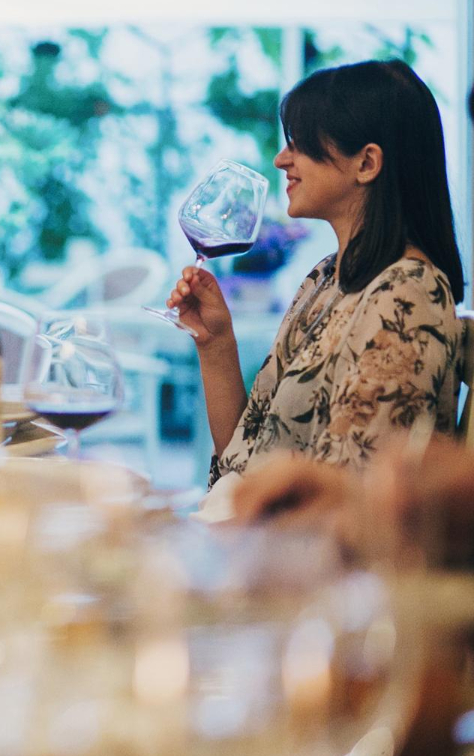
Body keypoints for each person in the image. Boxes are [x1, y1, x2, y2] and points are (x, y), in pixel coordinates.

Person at [167, 59, 464, 490]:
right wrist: (215, 342)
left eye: (301, 143)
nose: (281, 158)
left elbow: (351, 495)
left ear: (366, 164)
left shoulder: (408, 294)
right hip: (261, 535)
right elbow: (244, 457)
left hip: (310, 551)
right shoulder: (326, 277)